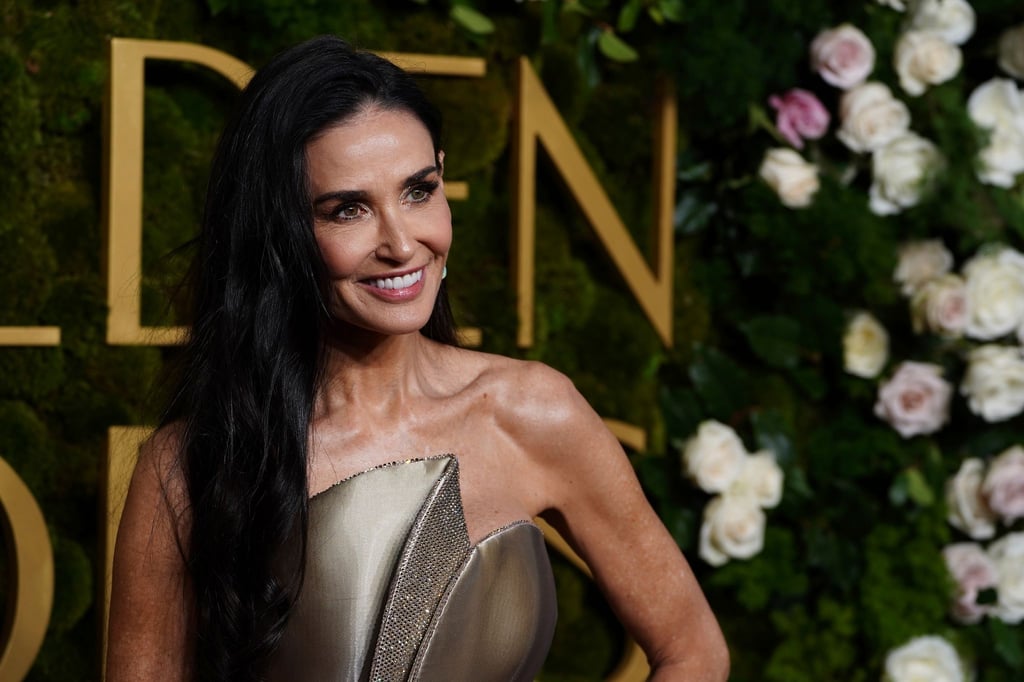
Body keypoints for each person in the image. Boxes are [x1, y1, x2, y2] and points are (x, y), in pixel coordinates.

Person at [106, 35, 729, 682]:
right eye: (348, 210)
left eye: (418, 191)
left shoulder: (533, 413)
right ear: (278, 232)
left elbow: (694, 651)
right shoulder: (191, 466)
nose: (402, 245)